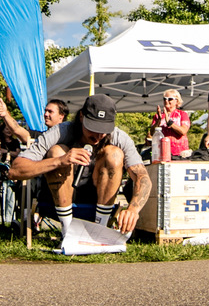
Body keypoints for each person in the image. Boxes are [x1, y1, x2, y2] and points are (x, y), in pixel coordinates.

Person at [9, 95, 151, 236]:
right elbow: (15, 170)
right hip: (56, 199)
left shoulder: (119, 137)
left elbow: (143, 177)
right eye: (92, 128)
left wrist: (133, 209)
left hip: (97, 198)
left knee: (114, 154)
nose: (97, 136)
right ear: (81, 117)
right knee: (57, 151)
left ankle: (99, 230)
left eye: (103, 130)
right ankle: (67, 232)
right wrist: (60, 161)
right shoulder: (60, 132)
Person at [0, 98, 69, 146]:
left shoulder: (70, 136)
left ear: (61, 116)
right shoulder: (40, 136)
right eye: (45, 111)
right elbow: (17, 129)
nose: (46, 114)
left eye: (50, 111)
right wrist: (5, 115)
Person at [149, 89, 190, 158]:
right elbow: (152, 133)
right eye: (164, 99)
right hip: (162, 152)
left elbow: (183, 131)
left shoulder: (182, 114)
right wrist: (158, 120)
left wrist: (170, 123)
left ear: (177, 101)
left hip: (180, 153)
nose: (166, 101)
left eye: (170, 99)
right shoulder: (158, 116)